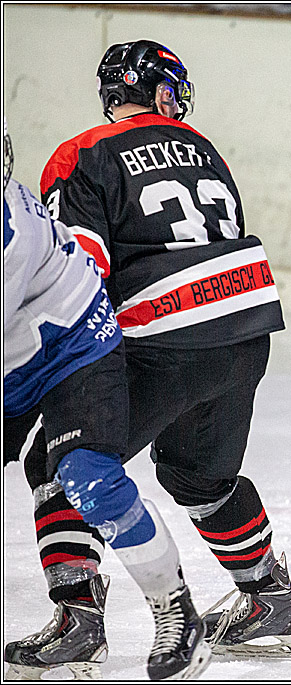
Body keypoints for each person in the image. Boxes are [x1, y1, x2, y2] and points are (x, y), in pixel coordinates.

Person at [4, 40, 291, 666]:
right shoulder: (205, 150)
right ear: (168, 92)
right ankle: (267, 597)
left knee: (61, 458)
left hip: (163, 333)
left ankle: (79, 618)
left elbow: (85, 265)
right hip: (246, 322)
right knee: (199, 475)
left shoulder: (81, 153)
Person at [3, 121, 210, 679]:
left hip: (74, 342)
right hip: (14, 353)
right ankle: (79, 622)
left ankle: (176, 610)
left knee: (88, 476)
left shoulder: (10, 234)